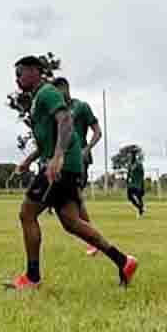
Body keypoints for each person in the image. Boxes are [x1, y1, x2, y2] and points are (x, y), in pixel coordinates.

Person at [8, 55, 137, 290]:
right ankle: (123, 261)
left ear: (35, 71)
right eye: (15, 74)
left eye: (20, 72)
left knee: (27, 213)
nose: (17, 78)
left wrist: (57, 157)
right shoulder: (38, 100)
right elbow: (47, 138)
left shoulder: (46, 92)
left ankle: (32, 277)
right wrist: (28, 161)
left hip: (61, 167)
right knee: (71, 222)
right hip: (68, 166)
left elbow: (65, 120)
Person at [51, 77, 103, 255]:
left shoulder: (81, 107)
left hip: (78, 160)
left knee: (77, 197)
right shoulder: (57, 111)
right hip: (61, 161)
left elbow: (98, 131)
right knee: (72, 199)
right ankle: (91, 238)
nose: (56, 94)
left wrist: (87, 149)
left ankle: (92, 240)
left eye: (58, 90)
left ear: (66, 88)